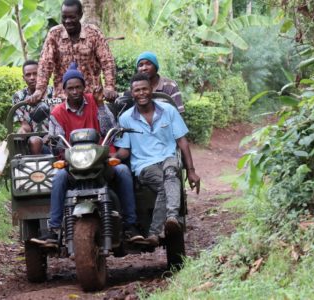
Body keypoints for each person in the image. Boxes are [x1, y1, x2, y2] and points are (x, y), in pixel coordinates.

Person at [31, 63, 143, 245]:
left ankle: (130, 225)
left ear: (84, 87)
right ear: (64, 90)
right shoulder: (57, 112)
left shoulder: (95, 101)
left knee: (122, 172)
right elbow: (55, 141)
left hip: (102, 161)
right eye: (71, 88)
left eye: (78, 87)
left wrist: (100, 105)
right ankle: (53, 228)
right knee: (59, 177)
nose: (75, 91)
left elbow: (110, 128)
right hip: (73, 164)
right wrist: (55, 144)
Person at [114, 73, 201, 246]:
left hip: (168, 157)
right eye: (137, 90)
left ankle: (162, 227)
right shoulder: (125, 118)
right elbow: (125, 150)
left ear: (151, 90)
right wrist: (109, 158)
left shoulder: (168, 110)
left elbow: (182, 141)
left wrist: (191, 171)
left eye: (144, 89)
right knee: (165, 183)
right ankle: (166, 222)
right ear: (132, 93)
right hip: (144, 165)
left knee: (171, 170)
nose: (141, 93)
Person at [28, 0, 117, 104]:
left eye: (72, 17)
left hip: (91, 96)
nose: (67, 21)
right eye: (64, 17)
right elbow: (45, 64)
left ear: (80, 15)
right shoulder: (54, 34)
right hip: (63, 98)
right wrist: (39, 90)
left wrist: (109, 87)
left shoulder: (93, 33)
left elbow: (107, 62)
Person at [12, 60, 63, 154]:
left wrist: (49, 136)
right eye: (28, 75)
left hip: (56, 138)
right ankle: (37, 168)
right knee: (32, 141)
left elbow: (59, 120)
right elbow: (25, 126)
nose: (32, 78)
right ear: (23, 78)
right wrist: (20, 134)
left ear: (41, 75)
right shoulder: (18, 96)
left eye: (35, 74)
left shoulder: (53, 92)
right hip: (34, 142)